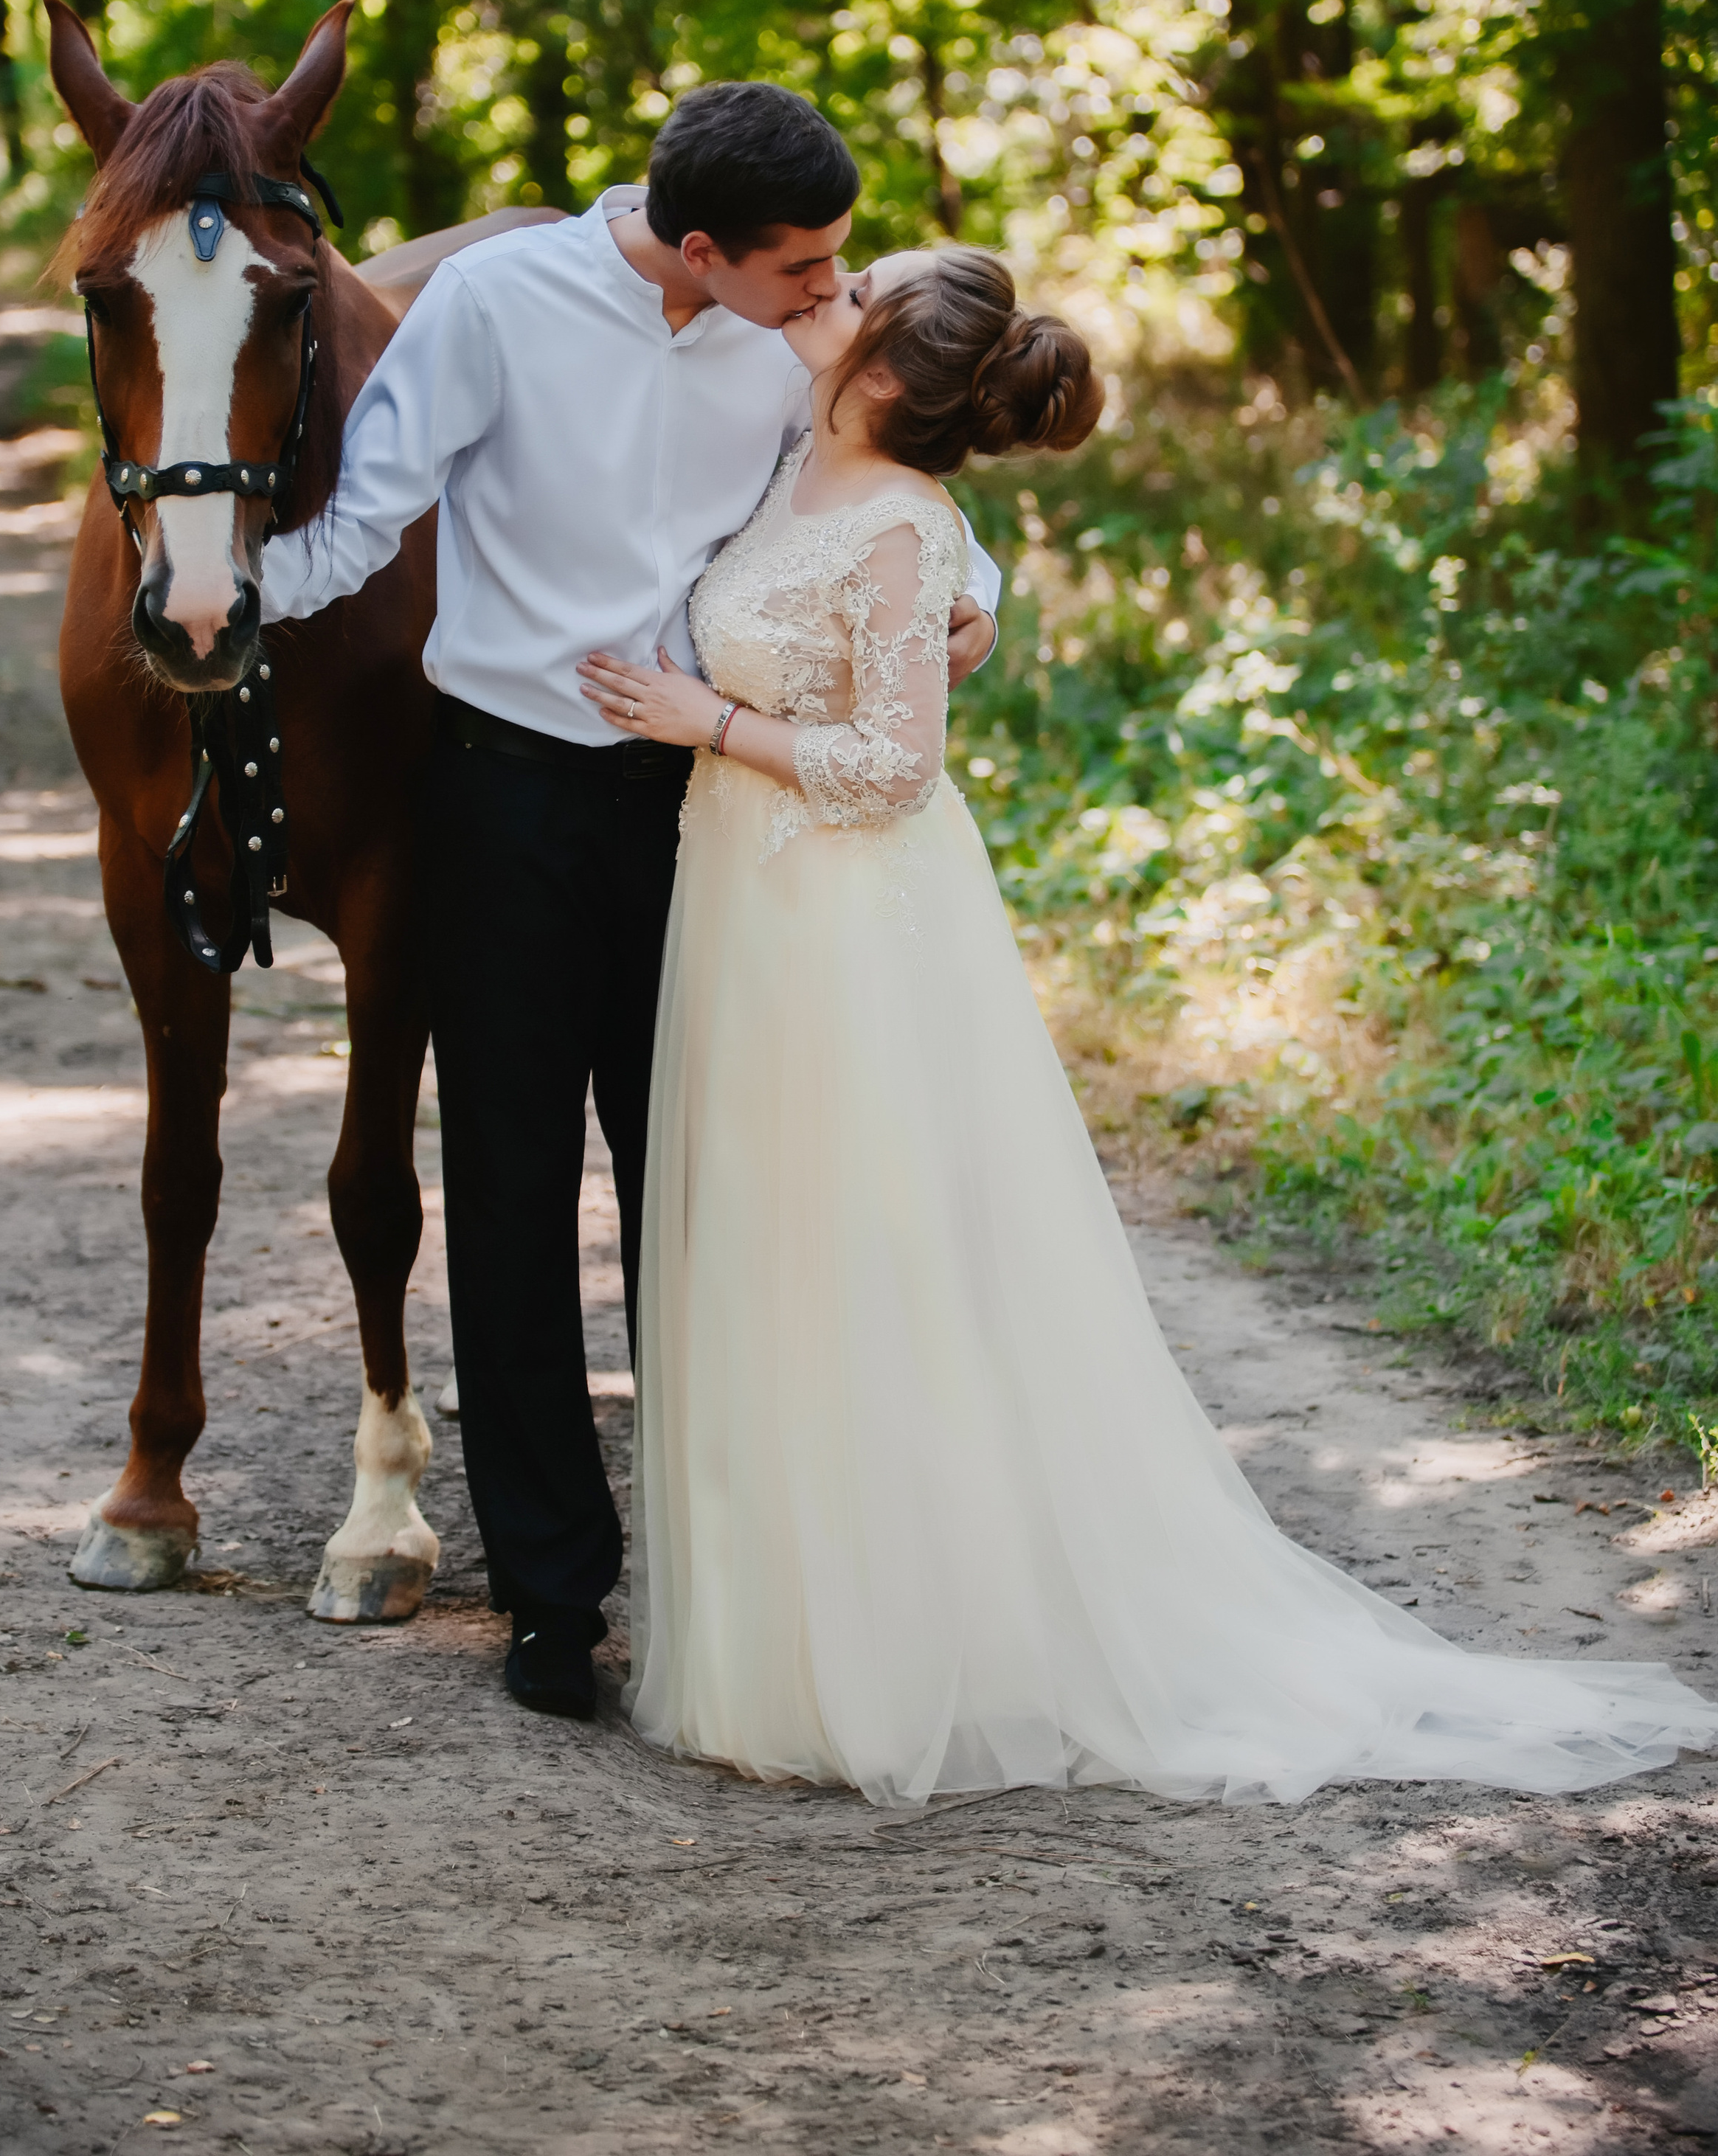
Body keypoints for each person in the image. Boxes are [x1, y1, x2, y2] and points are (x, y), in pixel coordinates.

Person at [581, 245, 1718, 1808]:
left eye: (849, 298)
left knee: (875, 1249)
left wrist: (702, 718)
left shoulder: (907, 523)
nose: (818, 297)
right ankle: (781, 1633)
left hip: (849, 919)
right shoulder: (796, 455)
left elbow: (898, 765)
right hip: (748, 904)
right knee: (772, 1249)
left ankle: (910, 1653)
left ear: (890, 380)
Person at [257, 85, 1002, 1724]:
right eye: (800, 268)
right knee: (514, 1194)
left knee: (710, 1185)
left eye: (830, 263)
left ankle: (728, 1564)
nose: (831, 290)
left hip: (713, 808)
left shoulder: (789, 325)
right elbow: (369, 509)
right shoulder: (498, 305)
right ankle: (548, 1590)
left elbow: (892, 478)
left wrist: (975, 602)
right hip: (503, 787)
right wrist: (215, 598)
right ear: (698, 247)